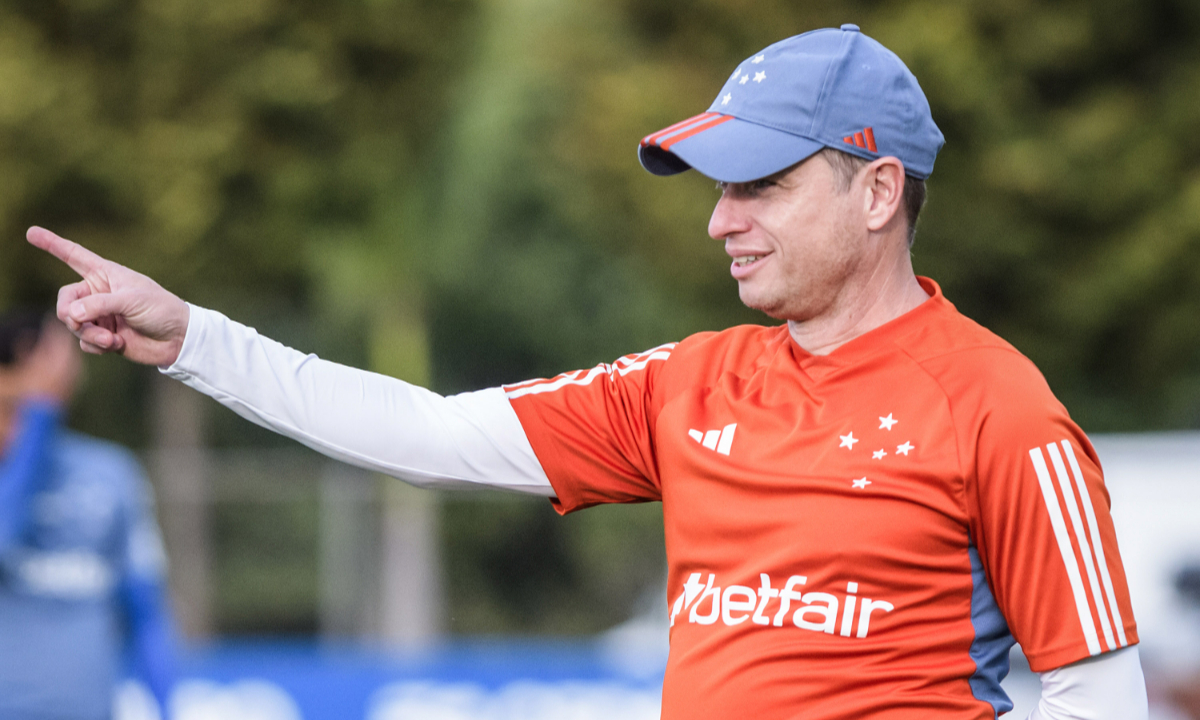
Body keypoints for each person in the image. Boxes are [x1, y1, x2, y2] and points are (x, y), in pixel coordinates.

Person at [26, 24, 1147, 720]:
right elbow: (428, 434)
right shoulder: (689, 383)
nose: (721, 222)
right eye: (717, 189)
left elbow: (1099, 694)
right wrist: (197, 342)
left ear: (879, 191)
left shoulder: (999, 408)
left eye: (758, 186)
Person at [0, 310, 176, 719]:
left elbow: (146, 611)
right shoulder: (15, 476)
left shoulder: (110, 473)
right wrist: (40, 414)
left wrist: (169, 707)